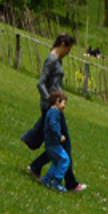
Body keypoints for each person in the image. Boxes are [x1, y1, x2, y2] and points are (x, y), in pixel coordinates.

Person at [21, 33, 85, 191]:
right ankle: (70, 183)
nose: (68, 53)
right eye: (68, 49)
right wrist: (51, 100)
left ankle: (36, 167)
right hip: (52, 108)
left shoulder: (56, 60)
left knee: (53, 143)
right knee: (64, 145)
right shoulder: (52, 60)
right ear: (63, 45)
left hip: (55, 106)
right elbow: (40, 82)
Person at [40, 92, 71, 193]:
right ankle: (57, 182)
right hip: (53, 143)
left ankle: (46, 180)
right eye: (63, 103)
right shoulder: (54, 112)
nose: (64, 106)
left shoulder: (51, 112)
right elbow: (53, 126)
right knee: (65, 159)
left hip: (50, 143)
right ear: (58, 101)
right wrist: (59, 136)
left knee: (57, 162)